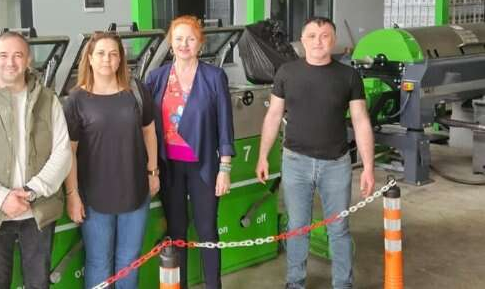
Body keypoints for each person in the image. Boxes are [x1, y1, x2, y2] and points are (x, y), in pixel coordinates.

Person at [255, 17, 375, 289]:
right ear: (302, 40)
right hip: (295, 163)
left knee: (338, 229)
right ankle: (294, 283)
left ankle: (343, 284)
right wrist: (263, 156)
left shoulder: (349, 76)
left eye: (324, 36)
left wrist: (368, 166)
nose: (318, 41)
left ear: (334, 40)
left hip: (336, 164)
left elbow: (361, 121)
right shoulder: (287, 72)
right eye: (311, 36)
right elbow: (273, 116)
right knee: (297, 227)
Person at [0, 31, 71, 289]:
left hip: (38, 210)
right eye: (3, 55)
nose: (11, 62)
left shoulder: (48, 99)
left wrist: (32, 191)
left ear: (28, 59)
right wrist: (1, 198)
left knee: (38, 283)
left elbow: (62, 152)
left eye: (18, 55)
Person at [63, 31, 159, 289]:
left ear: (120, 59)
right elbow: (69, 151)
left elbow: (149, 131)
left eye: (113, 54)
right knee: (98, 262)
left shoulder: (136, 91)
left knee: (129, 260)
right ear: (90, 58)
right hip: (94, 197)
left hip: (135, 190)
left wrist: (153, 172)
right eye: (101, 53)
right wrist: (72, 194)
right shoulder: (76, 100)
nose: (107, 59)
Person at [145, 15, 234, 289]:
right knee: (176, 232)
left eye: (191, 39)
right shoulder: (156, 78)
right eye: (179, 39)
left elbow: (225, 125)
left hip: (203, 166)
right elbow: (147, 125)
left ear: (200, 43)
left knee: (207, 230)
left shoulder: (214, 77)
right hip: (169, 166)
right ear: (170, 43)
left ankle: (213, 285)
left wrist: (224, 169)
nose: (184, 44)